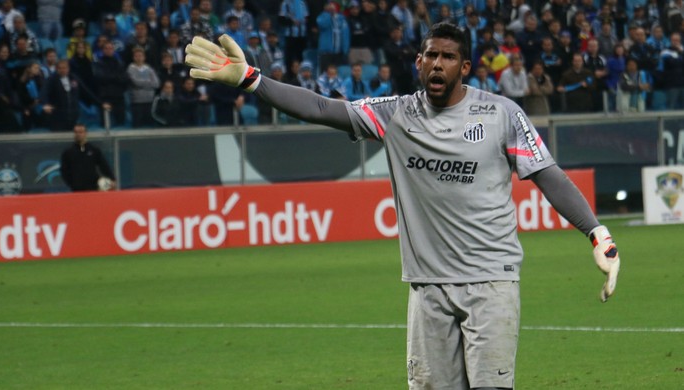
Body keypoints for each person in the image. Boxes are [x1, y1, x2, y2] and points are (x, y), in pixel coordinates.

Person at [185, 22, 622, 389]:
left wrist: (596, 232)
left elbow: (547, 173)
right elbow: (321, 107)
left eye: (448, 57)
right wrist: (251, 79)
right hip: (427, 287)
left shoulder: (501, 114)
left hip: (491, 282)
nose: (437, 63)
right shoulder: (396, 114)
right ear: (418, 62)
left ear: (464, 67)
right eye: (430, 55)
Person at [60, 123, 116, 192]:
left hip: (93, 188)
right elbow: (64, 171)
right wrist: (72, 183)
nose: (78, 134)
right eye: (76, 132)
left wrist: (112, 179)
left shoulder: (94, 150)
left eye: (80, 132)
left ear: (85, 133)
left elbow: (103, 166)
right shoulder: (68, 152)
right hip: (76, 189)